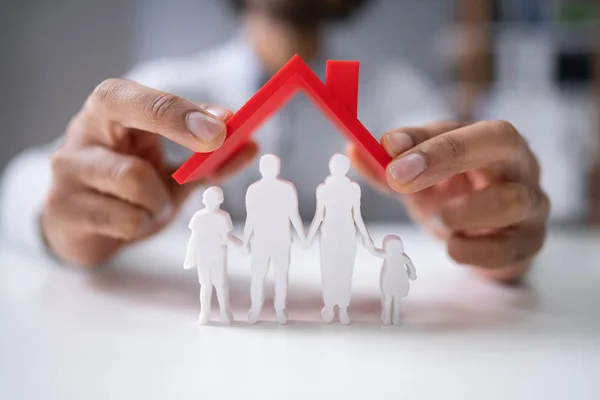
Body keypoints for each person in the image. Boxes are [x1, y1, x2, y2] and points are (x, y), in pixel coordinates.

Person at [0, 0, 549, 284]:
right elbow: (25, 179)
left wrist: (495, 216)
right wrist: (57, 214)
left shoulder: (393, 93)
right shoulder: (172, 89)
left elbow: (465, 162)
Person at [306, 154, 372, 324]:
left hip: (346, 234)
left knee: (344, 271)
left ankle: (342, 308)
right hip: (329, 234)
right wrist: (309, 236)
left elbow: (357, 215)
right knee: (329, 271)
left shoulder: (353, 188)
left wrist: (366, 237)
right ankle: (329, 306)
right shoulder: (323, 189)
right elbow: (319, 215)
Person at [244, 154, 305, 324]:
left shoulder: (287, 189)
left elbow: (294, 215)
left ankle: (279, 310)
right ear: (261, 168)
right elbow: (251, 217)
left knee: (280, 277)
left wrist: (302, 237)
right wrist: (245, 240)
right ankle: (256, 309)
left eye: (274, 166)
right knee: (258, 277)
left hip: (281, 240)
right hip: (262, 241)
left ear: (278, 168)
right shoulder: (254, 190)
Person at [184, 186, 239, 325]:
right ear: (204, 200)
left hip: (218, 255)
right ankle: (205, 313)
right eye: (209, 198)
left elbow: (227, 237)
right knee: (205, 285)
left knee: (221, 286)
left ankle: (224, 313)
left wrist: (241, 245)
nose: (212, 202)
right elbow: (194, 238)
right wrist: (189, 257)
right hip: (203, 255)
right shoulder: (198, 217)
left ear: (220, 201)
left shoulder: (223, 217)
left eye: (215, 199)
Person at [368, 235, 417, 326]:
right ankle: (387, 317)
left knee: (395, 300)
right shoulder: (388, 255)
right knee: (388, 300)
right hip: (389, 280)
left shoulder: (402, 257)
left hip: (398, 280)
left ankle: (394, 318)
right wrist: (368, 244)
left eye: (397, 246)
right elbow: (374, 251)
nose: (395, 249)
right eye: (392, 247)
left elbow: (411, 266)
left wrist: (412, 274)